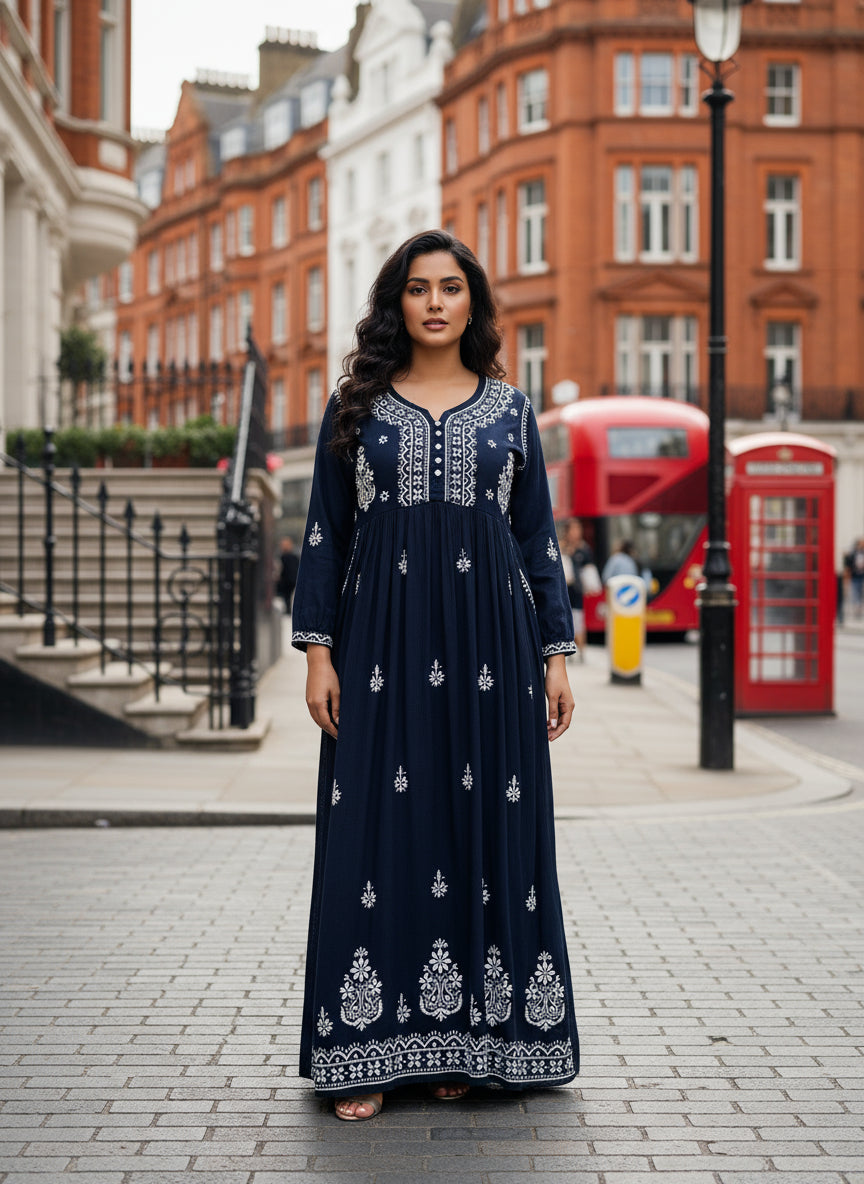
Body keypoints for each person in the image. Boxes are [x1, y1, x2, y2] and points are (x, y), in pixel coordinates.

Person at [291, 230, 580, 1122]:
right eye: (418, 289)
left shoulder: (510, 410)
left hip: (494, 648)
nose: (435, 303)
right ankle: (369, 1049)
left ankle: (465, 1040)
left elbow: (536, 539)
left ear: (473, 303)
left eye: (451, 288)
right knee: (378, 830)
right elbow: (324, 537)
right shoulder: (359, 409)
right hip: (380, 647)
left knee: (475, 829)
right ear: (397, 303)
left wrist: (556, 655)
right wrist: (318, 654)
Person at [562, 519, 594, 660]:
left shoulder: (584, 549)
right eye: (573, 530)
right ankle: (568, 650)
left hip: (577, 590)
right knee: (565, 619)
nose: (576, 533)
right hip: (564, 589)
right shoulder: (561, 547)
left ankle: (581, 651)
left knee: (579, 620)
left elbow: (589, 568)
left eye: (578, 530)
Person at [276, 537, 299, 614]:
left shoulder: (284, 557)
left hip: (287, 579)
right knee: (289, 596)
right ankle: (289, 609)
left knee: (287, 596)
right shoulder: (294, 556)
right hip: (293, 579)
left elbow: (282, 569)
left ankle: (288, 609)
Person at [844, 538, 864, 620]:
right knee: (855, 592)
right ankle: (856, 606)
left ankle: (859, 606)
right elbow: (848, 563)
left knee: (860, 592)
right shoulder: (853, 553)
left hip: (862, 576)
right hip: (855, 576)